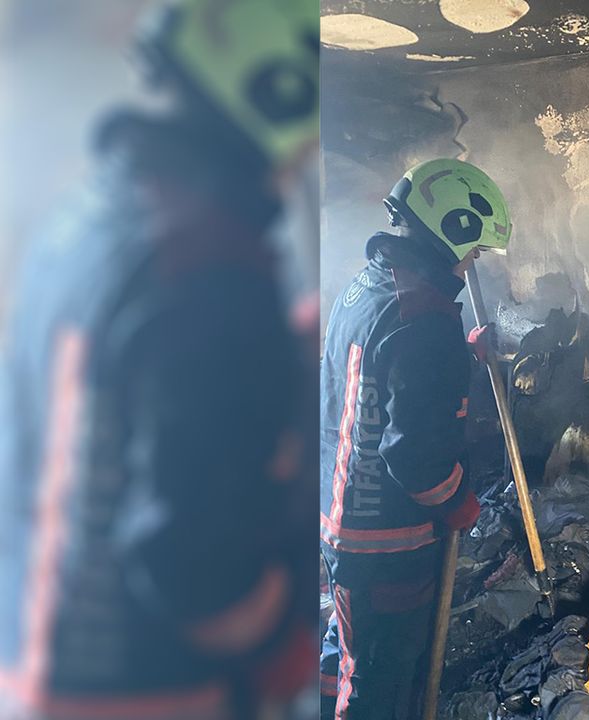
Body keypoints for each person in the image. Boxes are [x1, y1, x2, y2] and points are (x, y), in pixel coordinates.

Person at [0, 1, 319, 718]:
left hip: (31, 663)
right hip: (150, 687)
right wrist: (277, 640)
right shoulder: (211, 264)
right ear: (282, 86)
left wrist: (272, 365)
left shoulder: (87, 215)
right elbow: (196, 565)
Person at [319, 158, 511, 719]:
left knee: (348, 644)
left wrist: (460, 358)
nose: (474, 262)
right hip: (385, 540)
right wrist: (458, 503)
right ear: (453, 232)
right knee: (381, 676)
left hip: (338, 513)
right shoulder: (428, 321)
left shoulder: (368, 287)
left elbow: (379, 377)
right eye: (475, 250)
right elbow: (414, 456)